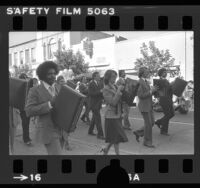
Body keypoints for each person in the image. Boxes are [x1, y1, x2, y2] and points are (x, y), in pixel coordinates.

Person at [25, 61, 63, 155]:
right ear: (42, 75)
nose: (53, 76)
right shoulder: (34, 90)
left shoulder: (59, 87)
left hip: (61, 130)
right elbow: (29, 111)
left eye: (54, 73)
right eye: (49, 74)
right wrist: (49, 104)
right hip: (48, 131)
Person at [101, 70, 128, 155]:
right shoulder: (105, 88)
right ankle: (117, 154)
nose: (114, 79)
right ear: (108, 77)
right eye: (113, 77)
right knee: (117, 136)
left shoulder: (115, 86)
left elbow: (119, 100)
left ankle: (106, 149)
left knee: (116, 137)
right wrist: (119, 91)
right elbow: (112, 102)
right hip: (111, 116)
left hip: (118, 114)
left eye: (115, 77)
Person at [133, 67, 158, 148]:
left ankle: (138, 132)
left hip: (149, 105)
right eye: (147, 71)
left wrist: (153, 91)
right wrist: (151, 91)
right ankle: (147, 142)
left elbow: (148, 93)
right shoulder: (140, 82)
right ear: (142, 73)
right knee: (148, 124)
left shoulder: (145, 81)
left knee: (152, 122)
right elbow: (140, 95)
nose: (148, 72)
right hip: (144, 106)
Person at [55, 75, 73, 151]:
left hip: (65, 111)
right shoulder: (54, 89)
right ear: (58, 82)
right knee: (59, 129)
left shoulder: (66, 88)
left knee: (65, 128)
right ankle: (62, 143)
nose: (63, 83)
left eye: (64, 81)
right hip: (57, 111)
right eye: (61, 81)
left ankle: (66, 143)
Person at [154, 68, 175, 136]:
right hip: (164, 100)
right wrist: (170, 85)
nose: (165, 73)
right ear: (160, 73)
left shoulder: (166, 80)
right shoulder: (159, 81)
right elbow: (158, 91)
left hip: (169, 99)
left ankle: (159, 122)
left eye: (166, 72)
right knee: (168, 114)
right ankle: (163, 130)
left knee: (172, 114)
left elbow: (169, 90)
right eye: (164, 72)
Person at [88, 72, 104, 140]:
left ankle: (90, 131)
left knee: (94, 118)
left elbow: (101, 93)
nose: (99, 77)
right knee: (98, 119)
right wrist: (100, 91)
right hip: (94, 104)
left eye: (99, 76)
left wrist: (103, 97)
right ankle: (100, 134)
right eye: (98, 76)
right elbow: (91, 93)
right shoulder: (91, 84)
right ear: (94, 77)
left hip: (98, 103)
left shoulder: (100, 83)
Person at [18, 73, 33, 146]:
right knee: (25, 124)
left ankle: (27, 137)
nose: (26, 79)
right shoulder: (20, 87)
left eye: (26, 78)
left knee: (27, 123)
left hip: (28, 108)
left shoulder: (28, 86)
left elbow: (32, 83)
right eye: (24, 78)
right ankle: (26, 139)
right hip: (22, 109)